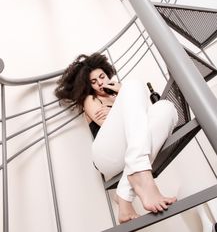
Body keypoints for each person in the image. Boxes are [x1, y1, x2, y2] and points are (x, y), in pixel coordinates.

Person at [55, 52, 178, 224]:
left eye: (102, 77)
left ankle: (125, 193)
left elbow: (142, 126)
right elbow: (108, 124)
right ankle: (139, 176)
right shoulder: (91, 99)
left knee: (166, 107)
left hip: (127, 151)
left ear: (107, 74)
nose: (100, 83)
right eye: (93, 81)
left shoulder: (122, 94)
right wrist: (125, 96)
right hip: (105, 155)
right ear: (88, 85)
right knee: (134, 84)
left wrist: (121, 92)